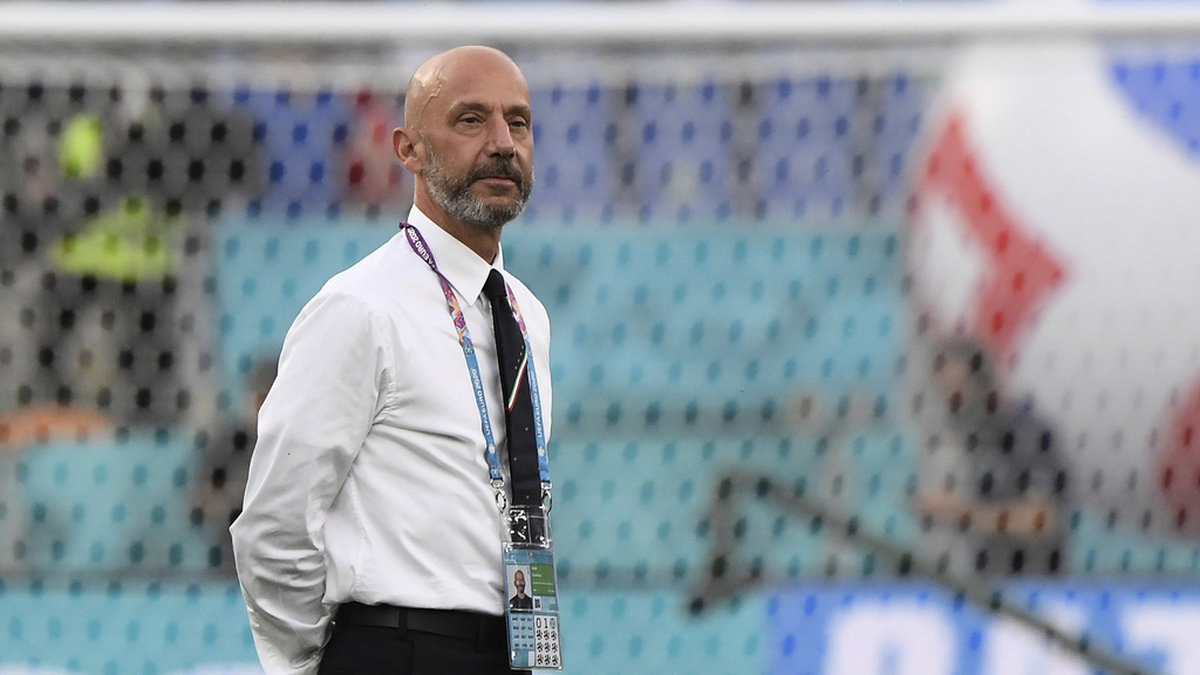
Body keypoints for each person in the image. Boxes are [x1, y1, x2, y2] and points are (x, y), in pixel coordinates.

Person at [230, 46, 552, 675]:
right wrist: (321, 662)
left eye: (518, 123)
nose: (501, 143)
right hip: (395, 648)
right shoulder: (361, 308)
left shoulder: (527, 317)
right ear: (408, 150)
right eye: (470, 120)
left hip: (515, 649)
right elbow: (274, 526)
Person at [915, 337, 1070, 578]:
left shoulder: (1026, 433)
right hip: (986, 579)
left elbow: (1041, 521)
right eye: (946, 393)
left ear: (982, 382)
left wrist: (960, 513)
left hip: (1034, 581)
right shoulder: (970, 436)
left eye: (959, 390)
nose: (953, 402)